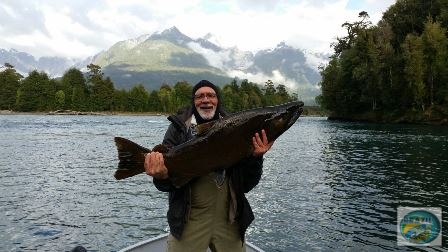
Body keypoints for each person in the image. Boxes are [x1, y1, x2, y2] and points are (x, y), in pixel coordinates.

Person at [144, 80, 274, 252]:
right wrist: (160, 176)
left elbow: (247, 184)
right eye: (200, 96)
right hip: (189, 219)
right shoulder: (177, 129)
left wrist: (256, 158)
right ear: (193, 101)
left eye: (211, 95)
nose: (206, 100)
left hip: (229, 218)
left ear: (217, 101)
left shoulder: (238, 127)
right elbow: (166, 184)